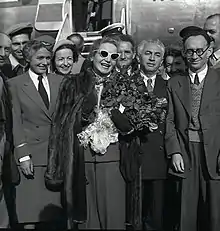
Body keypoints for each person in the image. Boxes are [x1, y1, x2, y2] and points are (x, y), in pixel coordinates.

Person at [45, 36, 129, 230]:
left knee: (113, 215)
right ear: (93, 55)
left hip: (114, 158)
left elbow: (132, 123)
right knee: (86, 218)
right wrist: (84, 113)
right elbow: (61, 123)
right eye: (103, 54)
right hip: (82, 157)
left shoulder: (125, 84)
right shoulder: (73, 83)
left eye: (113, 56)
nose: (108, 59)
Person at [165, 26, 220, 231]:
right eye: (189, 51)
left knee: (214, 212)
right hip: (186, 152)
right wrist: (175, 151)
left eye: (199, 51)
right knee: (186, 212)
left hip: (214, 153)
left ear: (209, 50)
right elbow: (169, 120)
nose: (194, 56)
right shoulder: (175, 83)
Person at [8, 40, 65, 230]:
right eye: (40, 58)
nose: (45, 62)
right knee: (29, 215)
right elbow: (15, 121)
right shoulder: (14, 85)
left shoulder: (60, 81)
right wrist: (22, 155)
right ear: (27, 58)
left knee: (53, 215)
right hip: (31, 156)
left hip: (55, 157)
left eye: (48, 58)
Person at [136, 39, 168, 231]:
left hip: (159, 158)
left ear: (162, 60)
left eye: (157, 55)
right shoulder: (127, 83)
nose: (152, 58)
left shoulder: (169, 86)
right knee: (135, 214)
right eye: (148, 53)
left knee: (156, 215)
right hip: (135, 157)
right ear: (139, 56)